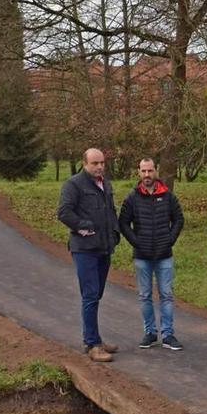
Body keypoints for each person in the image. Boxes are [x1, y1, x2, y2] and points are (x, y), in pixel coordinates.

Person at [57, 148, 121, 362]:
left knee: (97, 294)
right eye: (95, 163)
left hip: (104, 247)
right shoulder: (73, 185)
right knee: (91, 294)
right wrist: (84, 226)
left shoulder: (105, 184)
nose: (100, 167)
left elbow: (110, 211)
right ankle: (92, 344)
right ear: (84, 163)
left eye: (102, 162)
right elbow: (64, 212)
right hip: (84, 249)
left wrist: (115, 232)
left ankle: (96, 338)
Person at [119, 157, 185, 350]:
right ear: (138, 172)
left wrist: (170, 239)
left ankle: (168, 334)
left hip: (164, 254)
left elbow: (179, 219)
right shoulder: (132, 197)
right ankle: (150, 332)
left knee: (166, 295)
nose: (147, 175)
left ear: (156, 171)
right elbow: (123, 223)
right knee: (145, 295)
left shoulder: (168, 195)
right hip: (142, 256)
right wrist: (137, 242)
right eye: (143, 171)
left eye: (150, 170)